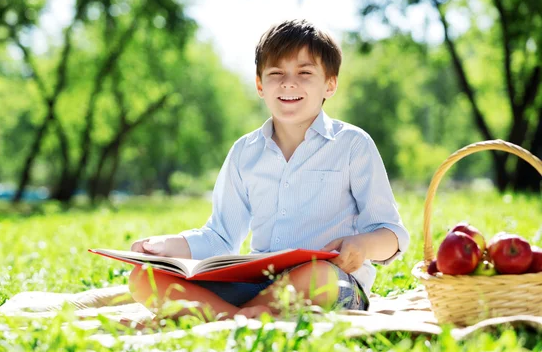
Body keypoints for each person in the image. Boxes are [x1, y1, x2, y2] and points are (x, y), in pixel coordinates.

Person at [129, 19, 410, 320]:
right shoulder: (244, 152)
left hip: (330, 282)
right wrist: (166, 246)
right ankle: (247, 318)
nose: (289, 83)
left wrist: (363, 245)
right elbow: (220, 236)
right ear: (260, 85)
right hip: (256, 283)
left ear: (330, 83)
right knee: (143, 278)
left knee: (317, 275)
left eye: (304, 73)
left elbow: (392, 234)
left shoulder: (353, 145)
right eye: (276, 73)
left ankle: (222, 318)